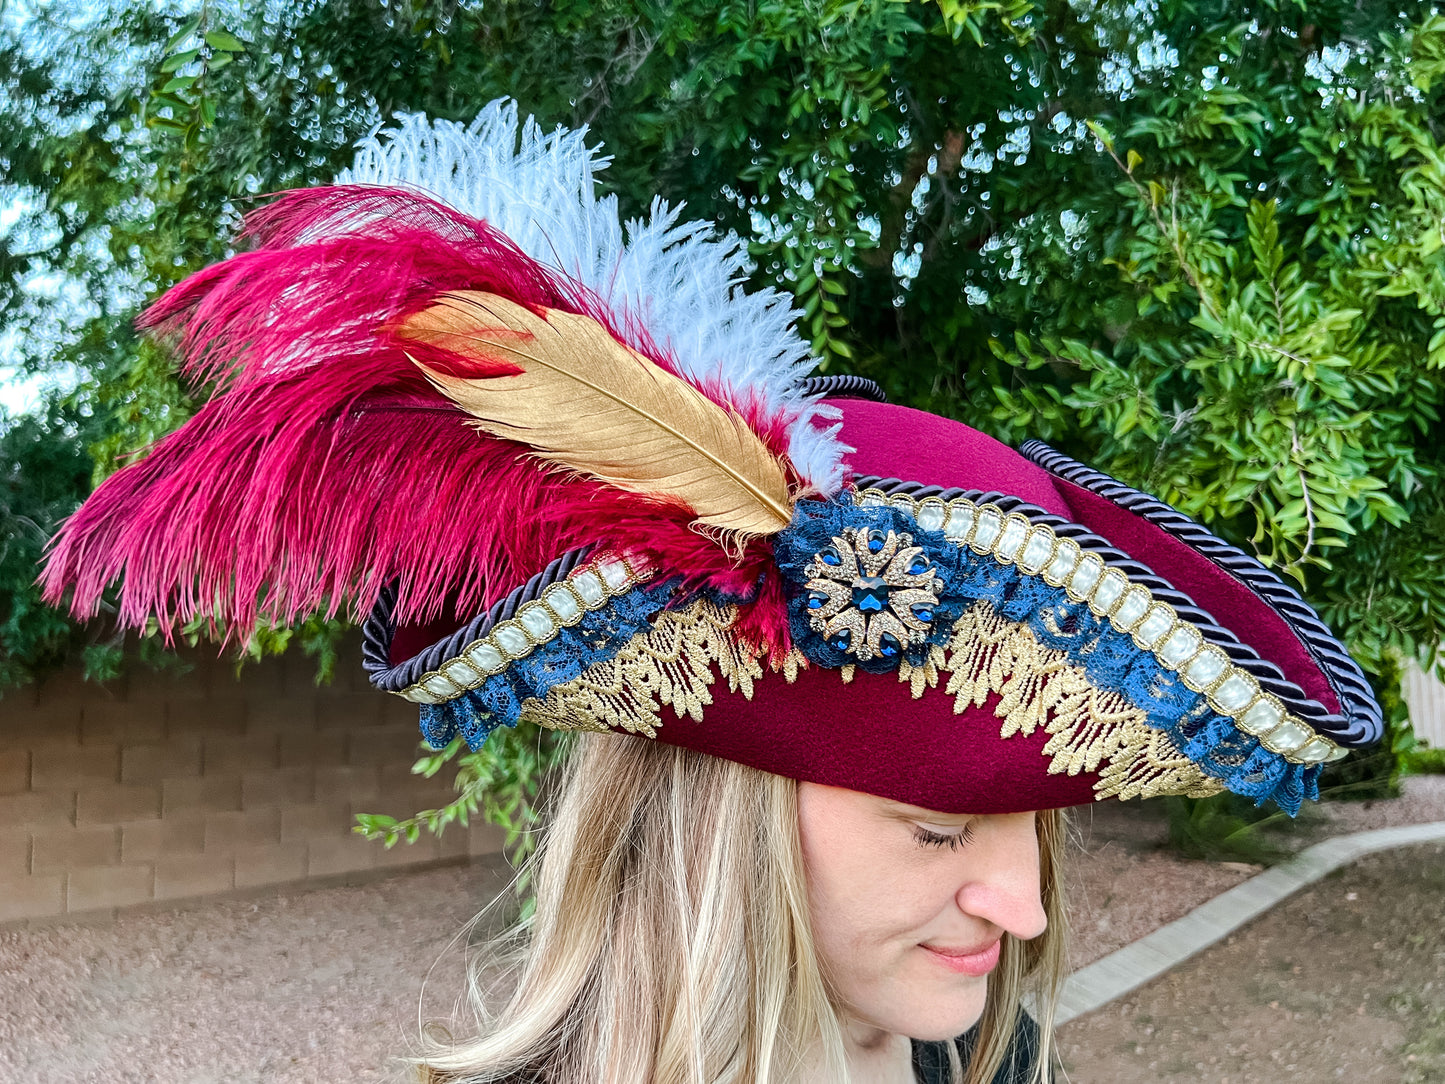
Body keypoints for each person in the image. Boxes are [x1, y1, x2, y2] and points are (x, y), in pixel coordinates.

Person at [42, 102, 1383, 1084]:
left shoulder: (974, 1052)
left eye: (1029, 825)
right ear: (713, 822)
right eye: (933, 829)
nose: (1026, 909)